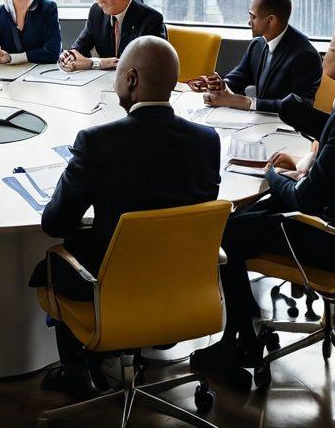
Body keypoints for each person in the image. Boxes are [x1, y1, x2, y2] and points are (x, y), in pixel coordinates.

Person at [193, 18, 335, 386]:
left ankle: (240, 341)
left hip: (329, 238)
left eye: (333, 48)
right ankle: (248, 323)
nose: (326, 52)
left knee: (227, 230)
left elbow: (304, 201)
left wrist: (271, 173)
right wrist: (306, 166)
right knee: (245, 217)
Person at [29, 36, 221, 399]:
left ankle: (75, 369)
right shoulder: (206, 140)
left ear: (131, 79)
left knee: (63, 253)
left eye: (117, 72)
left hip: (112, 291)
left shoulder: (97, 141)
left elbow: (54, 223)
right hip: (184, 286)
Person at [189, 0, 321, 114]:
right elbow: (238, 77)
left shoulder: (305, 55)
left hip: (286, 129)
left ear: (271, 20)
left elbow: (300, 107)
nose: (249, 22)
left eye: (253, 17)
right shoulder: (257, 44)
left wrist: (245, 102)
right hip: (259, 124)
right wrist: (220, 86)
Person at [58, 0, 165, 71]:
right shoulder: (97, 11)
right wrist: (70, 57)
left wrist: (94, 63)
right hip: (104, 81)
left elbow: (143, 64)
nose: (98, 0)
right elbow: (81, 46)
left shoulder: (151, 20)